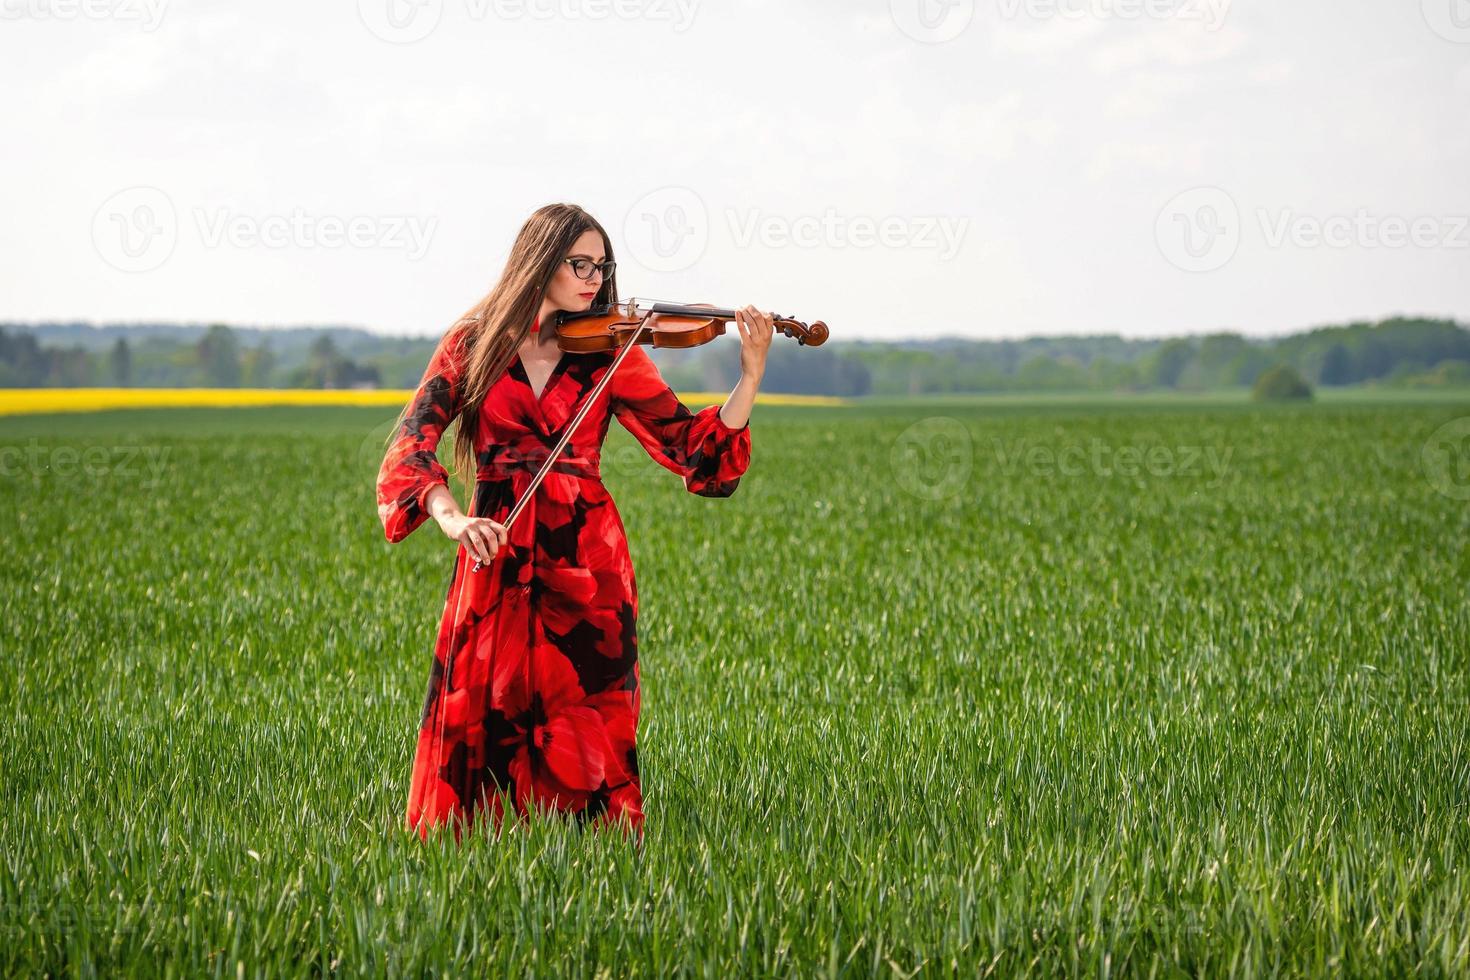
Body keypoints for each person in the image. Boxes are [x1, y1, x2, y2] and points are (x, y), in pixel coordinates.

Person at [375, 203, 773, 846]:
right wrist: (452, 518)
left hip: (587, 557)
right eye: (578, 263)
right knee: (483, 704)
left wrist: (749, 376)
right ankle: (473, 858)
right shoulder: (471, 346)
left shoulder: (611, 352)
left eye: (600, 265)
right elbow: (411, 446)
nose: (593, 277)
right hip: (494, 546)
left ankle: (593, 861)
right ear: (539, 263)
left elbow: (690, 449)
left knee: (587, 709)